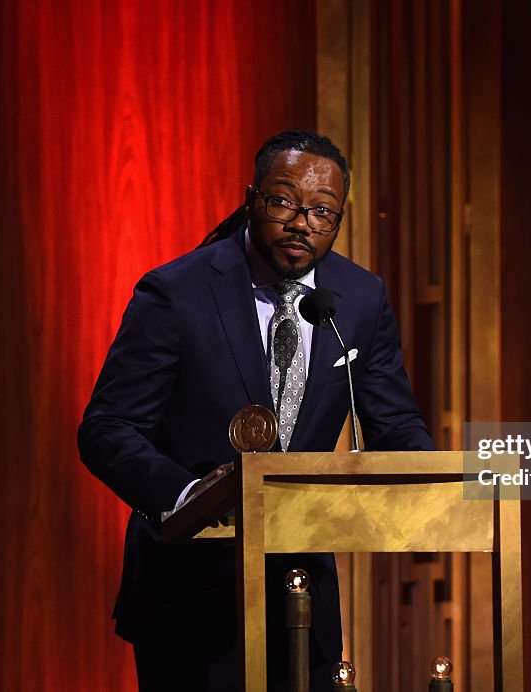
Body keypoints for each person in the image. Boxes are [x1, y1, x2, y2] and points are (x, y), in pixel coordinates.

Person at [78, 130, 433, 691]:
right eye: (284, 201)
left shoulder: (360, 300)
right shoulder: (178, 292)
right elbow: (108, 428)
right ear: (251, 199)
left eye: (322, 211)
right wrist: (189, 497)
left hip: (301, 595)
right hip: (189, 595)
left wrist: (434, 484)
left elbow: (395, 423)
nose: (302, 223)